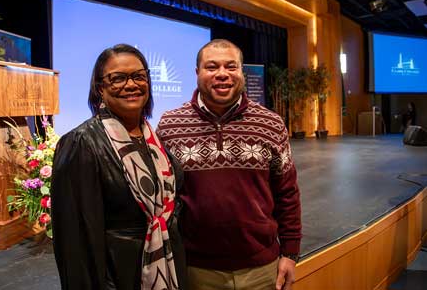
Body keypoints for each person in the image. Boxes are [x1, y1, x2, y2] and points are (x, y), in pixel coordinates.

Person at [157, 39, 302, 290]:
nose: (222, 74)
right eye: (212, 67)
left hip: (262, 269)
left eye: (231, 66)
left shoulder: (271, 124)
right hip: (196, 269)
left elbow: (287, 193)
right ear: (197, 73)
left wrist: (290, 253)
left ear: (241, 72)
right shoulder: (169, 125)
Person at [51, 44, 187, 290]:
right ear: (100, 88)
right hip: (118, 277)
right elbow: (75, 241)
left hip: (167, 267)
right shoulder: (81, 143)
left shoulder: (153, 140)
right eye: (118, 78)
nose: (131, 85)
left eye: (138, 76)